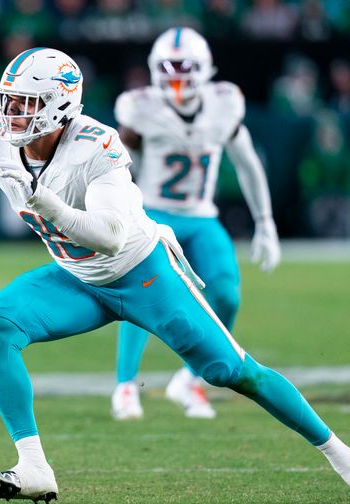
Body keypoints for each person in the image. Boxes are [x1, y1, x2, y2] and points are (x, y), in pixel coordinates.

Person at [0, 47, 350, 504]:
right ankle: (34, 467)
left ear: (59, 106)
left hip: (144, 276)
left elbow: (111, 237)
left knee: (234, 373)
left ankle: (349, 462)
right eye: (6, 100)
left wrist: (45, 201)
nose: (10, 114)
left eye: (24, 103)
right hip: (77, 279)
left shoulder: (98, 147)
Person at [110, 27, 280, 421]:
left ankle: (189, 380)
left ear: (205, 70)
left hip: (201, 216)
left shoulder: (224, 104)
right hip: (153, 213)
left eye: (184, 70)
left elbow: (248, 163)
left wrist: (265, 222)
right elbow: (114, 163)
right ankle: (124, 385)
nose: (176, 80)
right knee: (142, 297)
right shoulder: (140, 109)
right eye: (168, 70)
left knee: (226, 293)